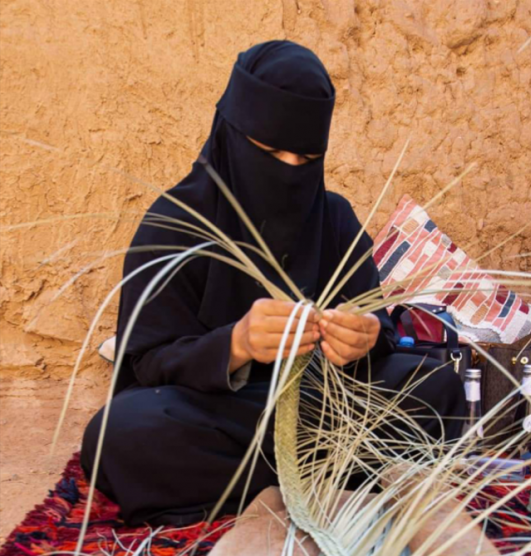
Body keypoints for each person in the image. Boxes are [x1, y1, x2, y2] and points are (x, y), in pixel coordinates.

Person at [81, 40, 465, 527]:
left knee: (438, 386)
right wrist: (236, 345)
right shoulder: (175, 225)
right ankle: (333, 475)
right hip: (219, 411)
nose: (288, 170)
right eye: (268, 151)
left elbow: (380, 333)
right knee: (122, 434)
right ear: (230, 134)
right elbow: (147, 362)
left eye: (306, 158)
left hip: (324, 408)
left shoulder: (335, 220)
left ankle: (271, 480)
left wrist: (365, 335)